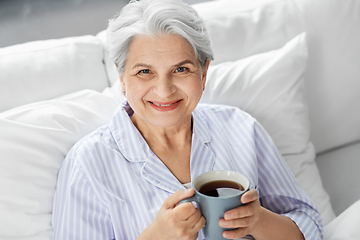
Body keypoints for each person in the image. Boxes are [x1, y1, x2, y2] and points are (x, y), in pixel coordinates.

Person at [52, 0, 323, 239]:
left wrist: (259, 221)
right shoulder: (88, 163)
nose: (164, 90)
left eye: (181, 69)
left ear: (203, 74)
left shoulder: (242, 129)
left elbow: (308, 225)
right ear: (122, 79)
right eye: (144, 71)